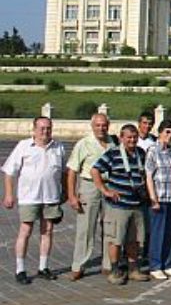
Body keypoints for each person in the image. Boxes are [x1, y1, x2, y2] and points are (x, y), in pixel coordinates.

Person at [2, 117, 66, 284]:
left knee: (48, 231)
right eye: (42, 128)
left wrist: (65, 192)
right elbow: (9, 172)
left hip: (51, 196)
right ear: (34, 129)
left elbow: (65, 173)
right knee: (26, 231)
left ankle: (43, 267)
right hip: (29, 197)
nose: (45, 131)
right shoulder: (23, 146)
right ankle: (20, 269)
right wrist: (9, 194)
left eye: (48, 128)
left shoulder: (58, 147)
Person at [91, 124, 150, 285]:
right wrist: (105, 190)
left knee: (135, 240)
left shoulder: (140, 153)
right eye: (129, 137)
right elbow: (95, 170)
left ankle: (133, 269)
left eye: (134, 137)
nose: (132, 140)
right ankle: (115, 269)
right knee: (116, 239)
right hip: (118, 206)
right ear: (122, 138)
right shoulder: (113, 153)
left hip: (136, 204)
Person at [66, 113, 115, 280]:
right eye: (98, 125)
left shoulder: (113, 143)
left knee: (110, 226)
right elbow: (72, 170)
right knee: (85, 228)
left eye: (104, 125)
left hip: (109, 185)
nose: (101, 128)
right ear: (92, 126)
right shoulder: (83, 144)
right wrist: (72, 195)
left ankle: (109, 263)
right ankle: (78, 265)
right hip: (89, 186)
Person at [144, 120, 171, 280]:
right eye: (167, 132)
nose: (170, 135)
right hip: (159, 197)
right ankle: (155, 265)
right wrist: (153, 198)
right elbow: (149, 175)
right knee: (157, 233)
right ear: (160, 132)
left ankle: (167, 263)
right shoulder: (153, 150)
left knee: (168, 233)